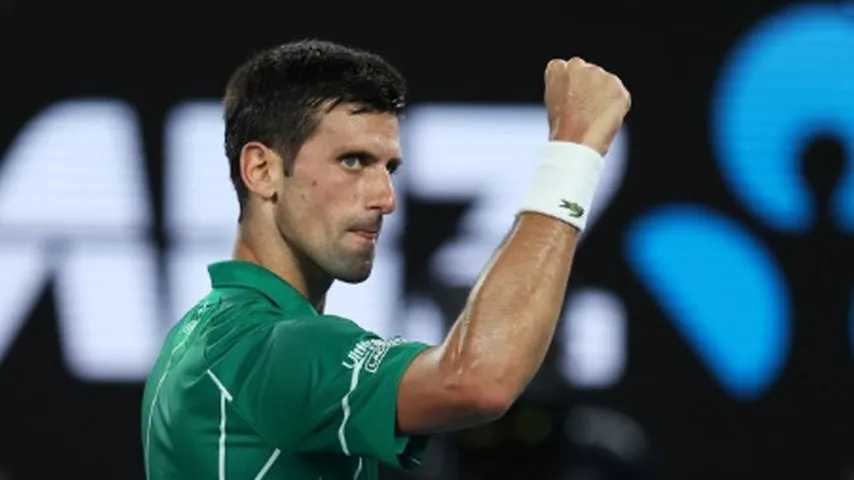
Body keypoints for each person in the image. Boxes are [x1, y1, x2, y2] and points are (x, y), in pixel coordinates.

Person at [141, 39, 630, 479]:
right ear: (263, 170)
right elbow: (478, 379)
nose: (385, 197)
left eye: (389, 167)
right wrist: (574, 154)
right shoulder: (266, 346)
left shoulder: (200, 334)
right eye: (352, 161)